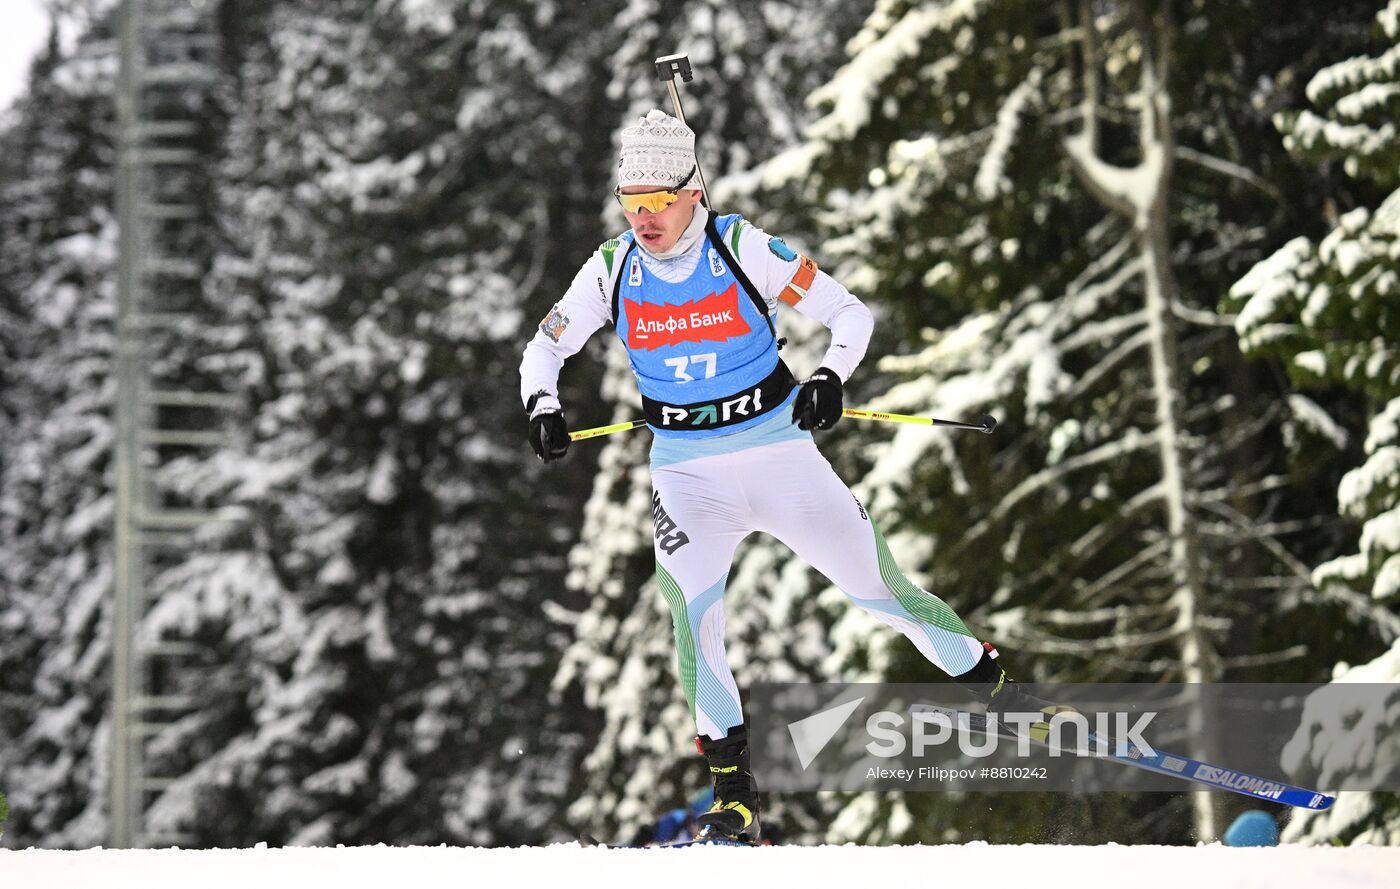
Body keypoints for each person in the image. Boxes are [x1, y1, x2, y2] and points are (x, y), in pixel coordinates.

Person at [520, 109, 1041, 843]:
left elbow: (848, 314)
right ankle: (733, 796)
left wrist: (829, 376)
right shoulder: (612, 268)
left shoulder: (740, 248)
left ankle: (1002, 695)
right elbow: (542, 350)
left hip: (780, 455)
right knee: (693, 623)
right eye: (629, 204)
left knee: (881, 589)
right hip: (686, 474)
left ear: (692, 192)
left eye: (658, 202)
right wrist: (542, 406)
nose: (644, 219)